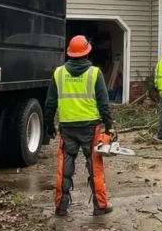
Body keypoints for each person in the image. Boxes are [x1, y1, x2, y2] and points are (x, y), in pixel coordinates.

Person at [44, 35, 116, 217]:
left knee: (64, 167)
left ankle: (61, 206)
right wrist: (110, 125)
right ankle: (100, 206)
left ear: (69, 53)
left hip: (67, 127)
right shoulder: (94, 73)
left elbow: (50, 102)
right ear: (87, 52)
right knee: (95, 166)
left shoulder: (58, 73)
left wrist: (48, 124)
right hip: (91, 128)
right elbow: (103, 103)